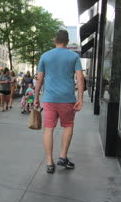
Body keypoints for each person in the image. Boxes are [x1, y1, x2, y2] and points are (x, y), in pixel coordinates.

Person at [34, 30, 84, 174]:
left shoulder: (45, 56)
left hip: (49, 99)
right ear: (67, 41)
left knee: (49, 128)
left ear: (54, 40)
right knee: (68, 126)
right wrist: (80, 98)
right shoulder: (74, 56)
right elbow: (80, 78)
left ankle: (49, 162)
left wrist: (36, 98)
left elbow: (39, 79)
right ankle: (63, 156)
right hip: (67, 99)